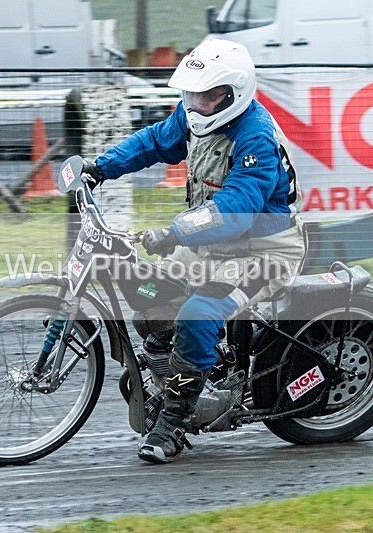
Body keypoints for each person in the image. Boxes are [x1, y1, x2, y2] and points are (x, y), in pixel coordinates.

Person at [82, 39, 306, 463]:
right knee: (149, 300)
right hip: (211, 245)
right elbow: (153, 142)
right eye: (192, 93)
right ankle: (198, 367)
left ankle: (175, 420)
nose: (196, 103)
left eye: (207, 95)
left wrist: (175, 233)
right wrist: (100, 168)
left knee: (197, 314)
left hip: (264, 252)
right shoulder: (193, 115)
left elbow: (236, 209)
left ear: (233, 93)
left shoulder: (255, 137)